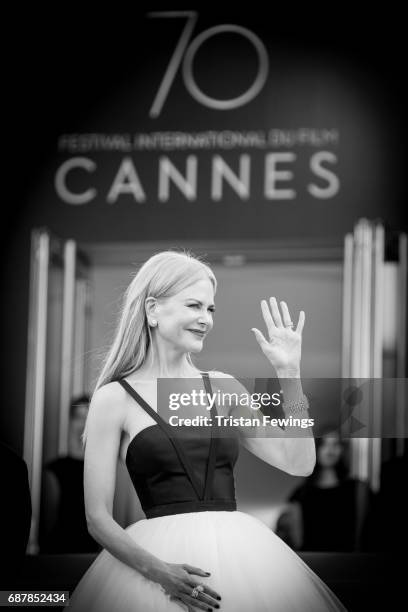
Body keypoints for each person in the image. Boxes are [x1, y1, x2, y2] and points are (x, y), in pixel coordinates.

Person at [69, 250, 346, 611]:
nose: (206, 319)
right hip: (154, 569)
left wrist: (289, 373)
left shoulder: (224, 388)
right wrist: (161, 573)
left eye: (210, 309)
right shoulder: (113, 398)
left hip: (241, 557)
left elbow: (299, 462)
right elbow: (97, 519)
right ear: (153, 310)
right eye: (194, 306)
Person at [276, 433, 372, 552]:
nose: (330, 450)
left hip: (350, 562)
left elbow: (363, 537)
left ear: (342, 449)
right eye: (324, 444)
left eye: (335, 444)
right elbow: (296, 541)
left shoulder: (358, 488)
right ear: (315, 449)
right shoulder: (301, 493)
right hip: (313, 562)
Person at [41, 396, 100, 553]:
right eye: (78, 417)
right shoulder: (54, 469)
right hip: (57, 552)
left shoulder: (103, 470)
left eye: (88, 418)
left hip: (92, 554)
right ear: (70, 421)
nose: (82, 424)